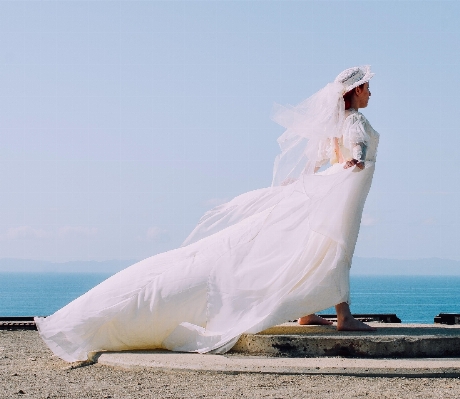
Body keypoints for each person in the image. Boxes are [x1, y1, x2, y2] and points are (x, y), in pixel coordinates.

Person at [34, 66, 381, 362]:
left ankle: (308, 310)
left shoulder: (335, 123)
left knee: (314, 243)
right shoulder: (355, 120)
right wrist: (358, 159)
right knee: (336, 245)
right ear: (356, 90)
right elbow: (357, 148)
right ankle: (343, 316)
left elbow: (319, 159)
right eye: (367, 87)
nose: (370, 93)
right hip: (343, 190)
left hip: (333, 187)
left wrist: (328, 171)